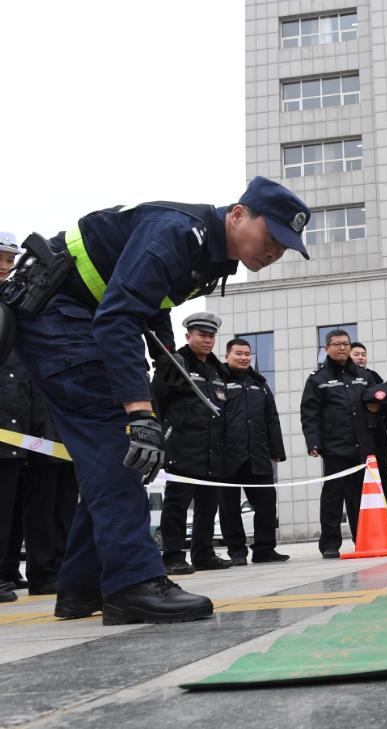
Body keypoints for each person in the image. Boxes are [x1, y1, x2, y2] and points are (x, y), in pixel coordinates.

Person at [4, 176, 309, 623]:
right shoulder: (177, 232)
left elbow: (156, 300)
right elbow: (119, 319)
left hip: (86, 318)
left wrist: (163, 361)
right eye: (272, 237)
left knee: (123, 454)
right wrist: (139, 410)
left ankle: (83, 586)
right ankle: (133, 584)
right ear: (239, 215)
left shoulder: (213, 256)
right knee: (120, 447)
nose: (274, 252)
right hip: (60, 317)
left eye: (284, 247)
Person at [155, 312, 232, 574]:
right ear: (188, 336)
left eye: (211, 336)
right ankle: (173, 556)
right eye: (202, 335)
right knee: (177, 503)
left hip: (212, 449)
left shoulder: (218, 371)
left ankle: (203, 553)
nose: (207, 340)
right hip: (182, 446)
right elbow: (157, 403)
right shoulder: (174, 364)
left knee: (208, 506)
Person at [301, 329, 376, 558]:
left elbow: (375, 402)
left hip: (361, 446)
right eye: (336, 344)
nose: (342, 348)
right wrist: (314, 441)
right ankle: (330, 544)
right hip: (335, 447)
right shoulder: (318, 378)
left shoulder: (363, 376)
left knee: (359, 498)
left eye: (345, 344)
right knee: (333, 497)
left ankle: (362, 539)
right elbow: (309, 412)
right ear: (326, 349)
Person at [217, 337, 288, 565]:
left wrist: (277, 449)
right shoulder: (218, 381)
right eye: (238, 353)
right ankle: (237, 552)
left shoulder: (260, 384)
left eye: (247, 354)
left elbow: (272, 419)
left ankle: (265, 549)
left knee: (267, 503)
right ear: (227, 356)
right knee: (229, 508)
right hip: (227, 456)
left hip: (258, 454)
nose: (244, 357)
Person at [0, 232, 31, 603]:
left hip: (15, 427)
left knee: (10, 506)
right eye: (1, 261)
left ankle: (7, 570)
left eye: (10, 262)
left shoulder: (14, 307)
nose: (6, 269)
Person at [23, 387, 78, 595]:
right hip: (40, 441)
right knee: (41, 512)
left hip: (68, 440)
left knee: (67, 511)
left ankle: (64, 568)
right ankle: (42, 574)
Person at [350, 341, 387, 540]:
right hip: (354, 441)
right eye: (356, 354)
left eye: (363, 354)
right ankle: (361, 537)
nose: (360, 357)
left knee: (385, 484)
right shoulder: (343, 380)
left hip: (377, 439)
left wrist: (379, 411)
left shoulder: (373, 377)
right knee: (356, 489)